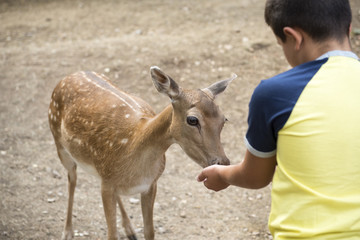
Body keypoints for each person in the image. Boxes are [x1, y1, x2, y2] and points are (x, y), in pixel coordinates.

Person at [197, 0, 360, 239]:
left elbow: (256, 176)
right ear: (348, 28)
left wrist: (222, 175)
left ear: (293, 37)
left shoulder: (276, 93)